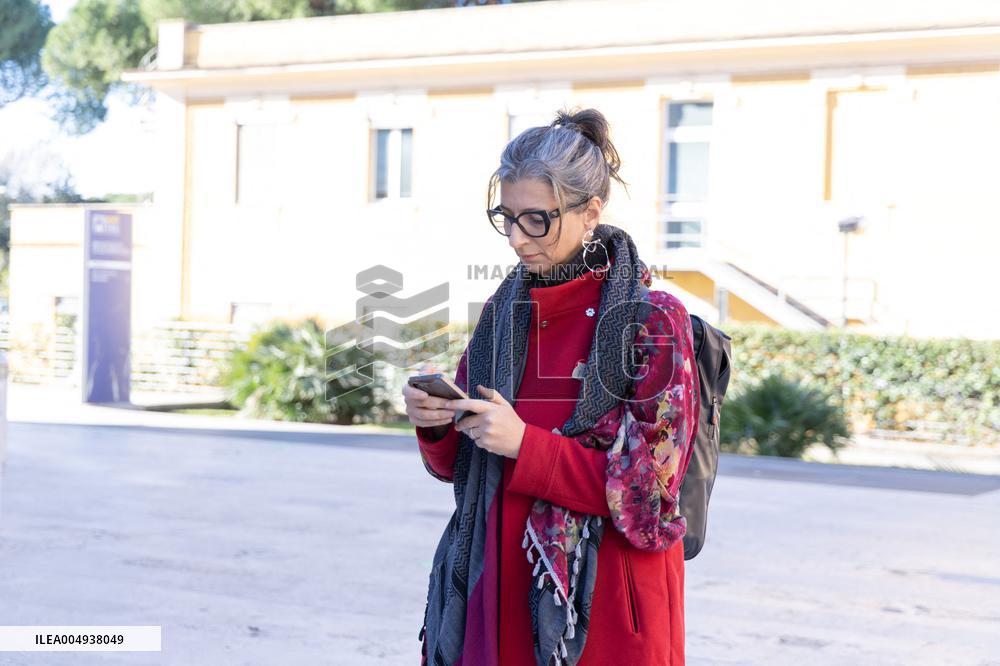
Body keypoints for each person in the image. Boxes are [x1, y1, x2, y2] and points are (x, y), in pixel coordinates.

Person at [404, 107, 700, 666]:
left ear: (591, 212)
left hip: (603, 609)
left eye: (536, 219)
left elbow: (650, 495)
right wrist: (435, 423)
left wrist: (525, 445)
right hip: (496, 590)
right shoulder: (503, 315)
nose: (517, 239)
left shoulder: (653, 321)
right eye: (507, 217)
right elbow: (458, 467)